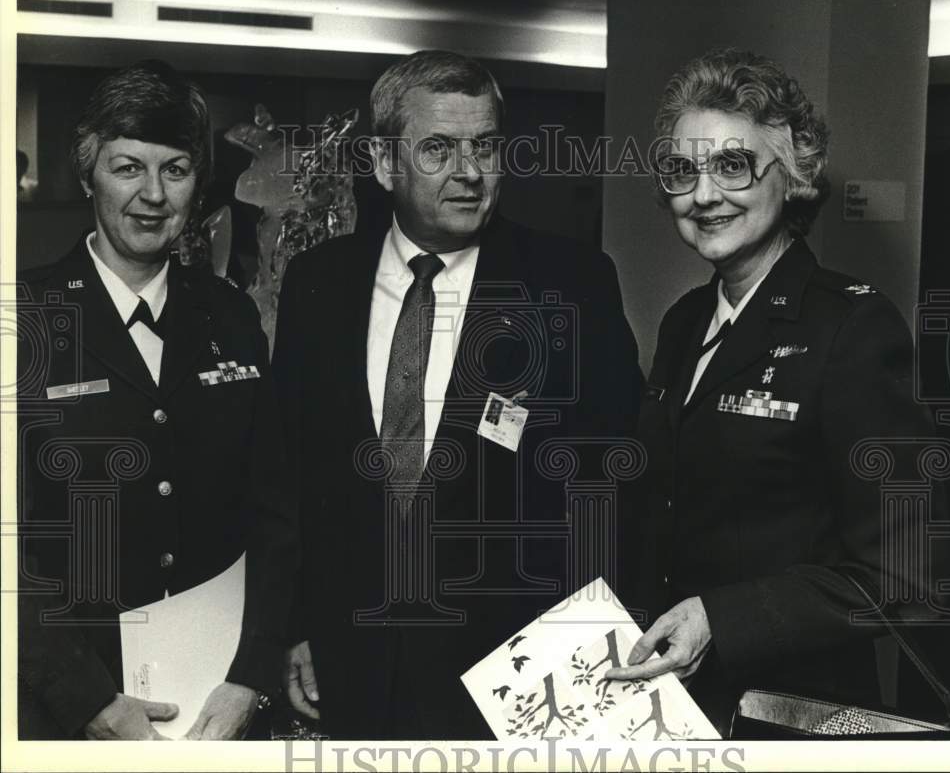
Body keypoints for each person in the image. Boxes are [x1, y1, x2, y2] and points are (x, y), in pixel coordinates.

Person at [272, 49, 643, 739]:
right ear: (385, 164)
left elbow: (618, 484)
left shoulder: (571, 284)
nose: (470, 172)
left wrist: (582, 658)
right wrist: (292, 628)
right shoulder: (316, 285)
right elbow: (289, 479)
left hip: (516, 678)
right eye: (439, 148)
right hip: (349, 667)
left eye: (486, 147)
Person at [605, 49, 942, 734]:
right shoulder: (683, 323)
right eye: (683, 169)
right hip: (670, 705)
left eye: (733, 165)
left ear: (792, 178)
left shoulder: (851, 325)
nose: (703, 195)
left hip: (790, 713)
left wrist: (720, 621)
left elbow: (903, 574)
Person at [17, 60, 297, 740]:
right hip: (73, 708)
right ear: (88, 176)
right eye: (127, 167)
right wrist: (86, 700)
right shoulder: (25, 316)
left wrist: (253, 677)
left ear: (198, 184)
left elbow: (278, 511)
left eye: (174, 169)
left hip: (220, 703)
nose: (152, 194)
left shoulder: (230, 316)